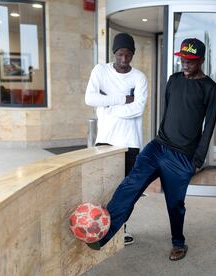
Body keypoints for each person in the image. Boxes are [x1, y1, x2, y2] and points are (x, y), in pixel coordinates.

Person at [86, 38, 216, 261]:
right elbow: (167, 111)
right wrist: (160, 137)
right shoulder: (174, 80)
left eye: (191, 62)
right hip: (158, 146)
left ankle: (178, 242)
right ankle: (104, 234)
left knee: (175, 203)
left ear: (202, 61)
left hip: (182, 157)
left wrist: (197, 160)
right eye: (183, 60)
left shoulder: (210, 88)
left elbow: (209, 126)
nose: (185, 65)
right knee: (130, 185)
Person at [85, 32, 148, 246]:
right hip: (105, 139)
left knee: (127, 191)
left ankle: (121, 228)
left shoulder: (139, 77)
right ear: (114, 53)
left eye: (128, 55)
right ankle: (101, 226)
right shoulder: (100, 71)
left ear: (133, 54)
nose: (124, 60)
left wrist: (108, 107)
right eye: (120, 54)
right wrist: (122, 99)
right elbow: (90, 98)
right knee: (103, 187)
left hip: (130, 142)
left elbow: (138, 108)